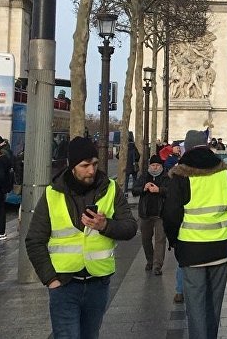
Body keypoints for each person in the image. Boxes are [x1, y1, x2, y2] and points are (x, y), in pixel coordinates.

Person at [25, 136, 138, 339]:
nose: (91, 171)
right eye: (85, 165)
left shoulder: (111, 189)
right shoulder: (52, 194)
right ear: (71, 166)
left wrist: (105, 225)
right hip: (64, 284)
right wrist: (50, 279)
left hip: (98, 283)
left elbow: (130, 228)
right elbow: (34, 240)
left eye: (94, 164)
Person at [164, 130, 227, 339]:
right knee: (214, 304)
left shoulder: (180, 174)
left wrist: (173, 240)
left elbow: (171, 214)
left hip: (191, 249)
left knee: (196, 305)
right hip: (221, 246)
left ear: (187, 147)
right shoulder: (223, 172)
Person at [132, 155, 170, 274]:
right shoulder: (144, 176)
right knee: (145, 240)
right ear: (149, 166)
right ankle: (150, 260)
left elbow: (171, 191)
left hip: (160, 214)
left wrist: (159, 190)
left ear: (161, 166)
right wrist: (143, 188)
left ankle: (157, 265)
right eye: (153, 165)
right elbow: (134, 190)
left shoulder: (166, 177)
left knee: (160, 240)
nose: (155, 168)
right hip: (145, 214)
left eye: (157, 165)